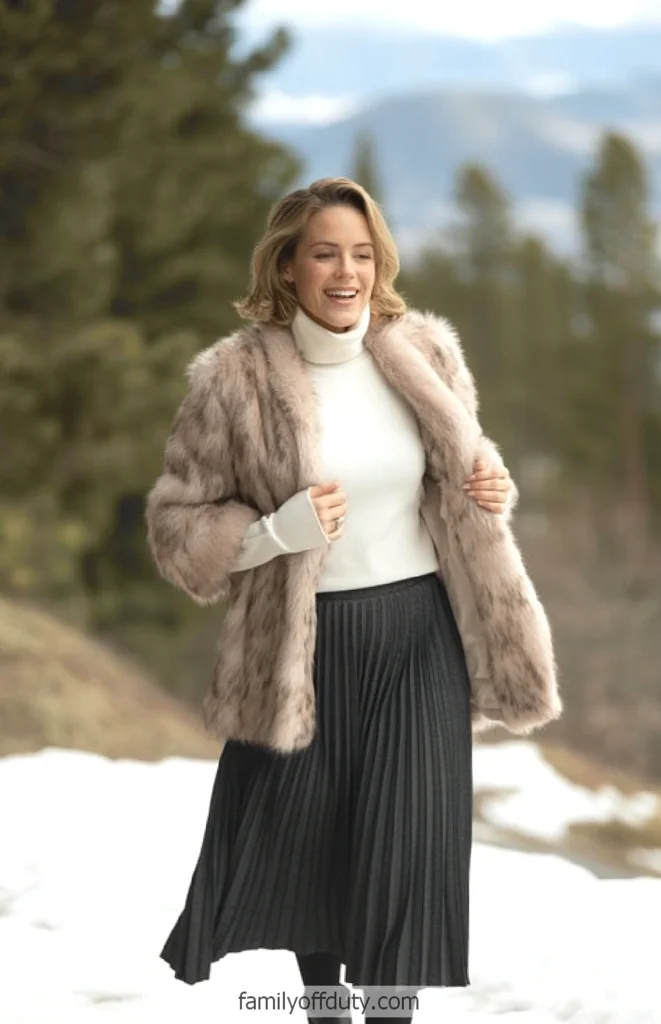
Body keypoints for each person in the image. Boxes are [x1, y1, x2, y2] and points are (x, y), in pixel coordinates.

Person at [145, 177, 561, 1023]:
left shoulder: (426, 356)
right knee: (314, 855)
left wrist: (490, 485)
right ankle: (323, 1013)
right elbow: (176, 529)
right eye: (326, 253)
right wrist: (274, 532)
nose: (347, 273)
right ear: (287, 266)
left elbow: (456, 485)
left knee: (404, 857)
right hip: (304, 647)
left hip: (419, 638)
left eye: (362, 254)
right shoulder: (233, 380)